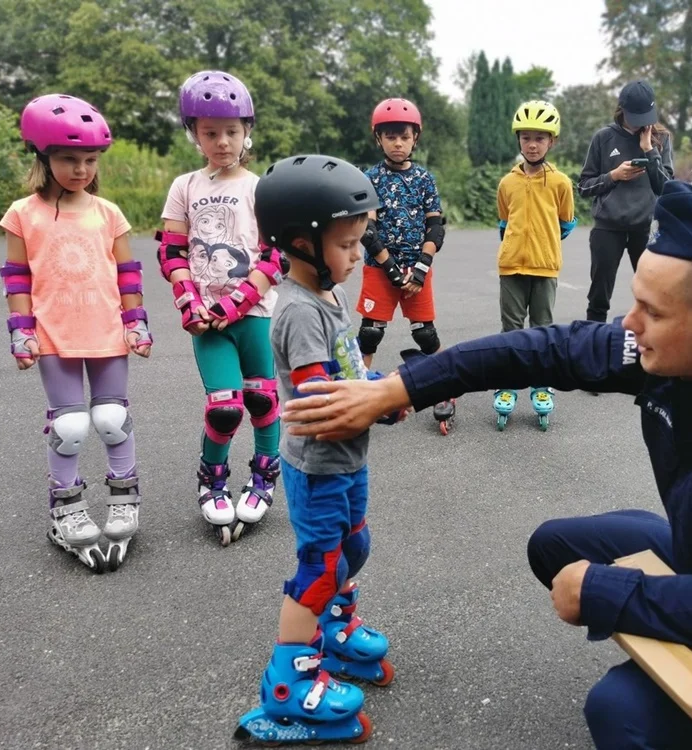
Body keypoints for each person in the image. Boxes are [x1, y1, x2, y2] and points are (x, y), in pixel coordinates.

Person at [279, 181, 692, 750]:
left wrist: (606, 592)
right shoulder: (683, 346)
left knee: (620, 712)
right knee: (556, 548)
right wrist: (400, 388)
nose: (630, 324)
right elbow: (541, 349)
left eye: (652, 311)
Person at [234, 155, 411, 745]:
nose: (359, 255)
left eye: (359, 242)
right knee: (320, 569)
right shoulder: (300, 312)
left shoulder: (326, 296)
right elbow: (321, 399)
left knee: (353, 546)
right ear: (302, 243)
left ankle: (333, 631)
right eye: (347, 244)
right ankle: (288, 686)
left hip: (346, 461)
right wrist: (380, 402)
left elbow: (346, 372)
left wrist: (382, 385)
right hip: (318, 467)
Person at [0, 94, 152, 573]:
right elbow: (17, 277)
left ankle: (124, 499)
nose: (81, 169)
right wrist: (20, 331)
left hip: (107, 331)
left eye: (90, 159)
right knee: (68, 426)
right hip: (54, 337)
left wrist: (136, 321)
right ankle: (66, 507)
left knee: (112, 418)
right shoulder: (23, 214)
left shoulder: (109, 213)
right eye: (68, 158)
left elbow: (127, 273)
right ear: (43, 157)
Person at [156, 70, 285, 546]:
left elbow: (274, 257)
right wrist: (189, 301)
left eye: (231, 131)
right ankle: (212, 481)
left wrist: (235, 302)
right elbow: (171, 252)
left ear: (247, 130)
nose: (222, 141)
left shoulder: (261, 187)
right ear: (195, 134)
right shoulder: (185, 186)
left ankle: (264, 476)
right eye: (210, 132)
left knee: (262, 400)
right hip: (207, 322)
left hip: (253, 314)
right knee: (225, 409)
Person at [356, 98, 455, 434]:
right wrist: (391, 270)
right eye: (390, 136)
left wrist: (422, 267)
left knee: (425, 334)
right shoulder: (369, 178)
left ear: (415, 138)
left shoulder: (425, 179)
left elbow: (435, 228)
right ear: (378, 139)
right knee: (370, 333)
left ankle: (446, 387)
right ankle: (359, 394)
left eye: (404, 136)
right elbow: (368, 230)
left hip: (416, 269)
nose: (397, 143)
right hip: (380, 268)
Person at [494, 99, 576, 430]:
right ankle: (508, 383)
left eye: (539, 138)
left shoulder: (561, 183)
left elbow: (566, 223)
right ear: (518, 140)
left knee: (542, 329)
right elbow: (504, 222)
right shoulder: (507, 183)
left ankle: (541, 385)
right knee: (511, 330)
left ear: (551, 141)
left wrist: (544, 244)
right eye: (526, 137)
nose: (532, 144)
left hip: (545, 267)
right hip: (511, 266)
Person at [578, 80, 674, 326]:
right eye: (636, 117)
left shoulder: (661, 138)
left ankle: (651, 344)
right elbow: (584, 187)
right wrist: (613, 176)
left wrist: (649, 150)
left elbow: (666, 188)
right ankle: (592, 341)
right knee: (598, 297)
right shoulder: (603, 137)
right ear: (622, 110)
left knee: (654, 296)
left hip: (645, 228)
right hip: (608, 227)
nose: (641, 123)